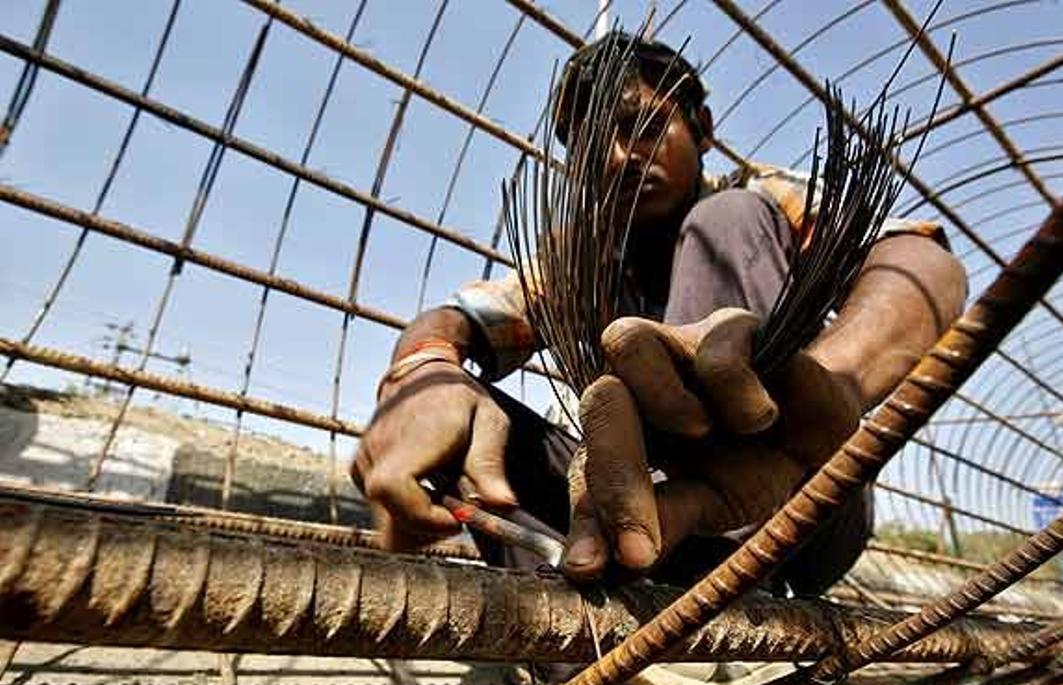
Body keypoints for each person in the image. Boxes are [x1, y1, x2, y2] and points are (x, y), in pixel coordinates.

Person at [351, 32, 966, 597]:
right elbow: (462, 319)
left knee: (722, 220)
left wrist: (820, 390)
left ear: (701, 128)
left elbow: (921, 263)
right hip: (643, 519)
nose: (619, 158)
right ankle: (591, 648)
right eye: (592, 148)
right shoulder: (578, 259)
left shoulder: (760, 200)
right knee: (462, 417)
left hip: (802, 503)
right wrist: (425, 372)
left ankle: (730, 591)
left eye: (642, 126)